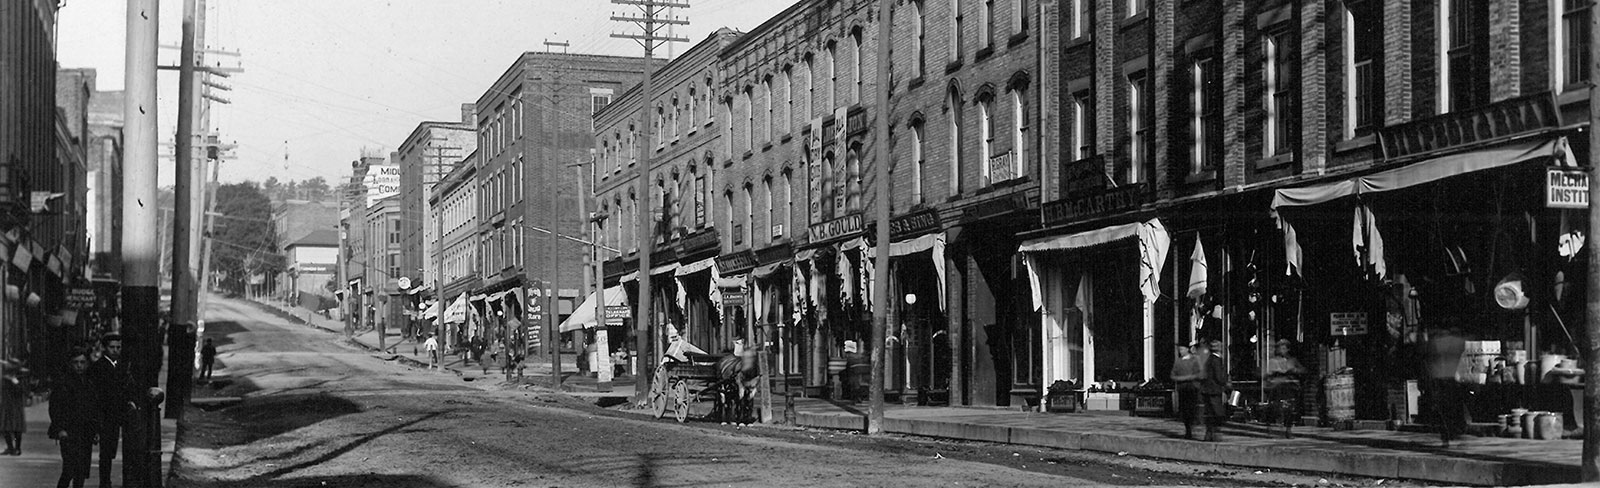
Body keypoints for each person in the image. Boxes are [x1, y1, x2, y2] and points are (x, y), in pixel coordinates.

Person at [87, 335, 134, 488]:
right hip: (105, 414)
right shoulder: (98, 367)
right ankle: (105, 482)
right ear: (104, 348)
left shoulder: (122, 365)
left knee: (112, 449)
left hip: (119, 413)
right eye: (112, 347)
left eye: (118, 347)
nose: (115, 350)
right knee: (106, 452)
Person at [50, 350, 99, 488]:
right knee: (69, 469)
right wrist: (60, 429)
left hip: (85, 432)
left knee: (81, 471)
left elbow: (93, 407)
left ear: (87, 364)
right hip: (69, 432)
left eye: (82, 362)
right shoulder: (63, 383)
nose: (79, 366)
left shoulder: (89, 382)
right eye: (76, 362)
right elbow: (55, 408)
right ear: (70, 364)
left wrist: (95, 430)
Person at [1426, 326, 1467, 447]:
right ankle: (1455, 432)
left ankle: (1446, 435)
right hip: (1453, 378)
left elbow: (1428, 359)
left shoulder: (1434, 342)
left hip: (1438, 378)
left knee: (1443, 409)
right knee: (1454, 407)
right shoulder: (1457, 341)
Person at [1264, 339, 1306, 436]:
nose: (1282, 351)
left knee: (1290, 408)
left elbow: (1303, 370)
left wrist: (1295, 370)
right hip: (1277, 387)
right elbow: (1268, 375)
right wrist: (1275, 373)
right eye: (1280, 348)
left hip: (1289, 387)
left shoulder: (1292, 360)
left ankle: (1288, 429)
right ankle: (1271, 426)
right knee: (1275, 407)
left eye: (1284, 348)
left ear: (1288, 349)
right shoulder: (1273, 361)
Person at [1196, 340, 1231, 442]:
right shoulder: (1216, 360)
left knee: (1210, 412)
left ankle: (1209, 434)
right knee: (1217, 412)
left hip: (1207, 389)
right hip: (1214, 390)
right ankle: (1216, 433)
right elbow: (1219, 376)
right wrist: (1226, 381)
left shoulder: (1209, 359)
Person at [1168, 344, 1203, 439]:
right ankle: (1188, 429)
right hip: (1182, 388)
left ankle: (1192, 425)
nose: (1181, 351)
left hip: (1192, 388)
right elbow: (1173, 375)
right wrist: (1183, 378)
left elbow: (1200, 373)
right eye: (1180, 350)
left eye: (1182, 349)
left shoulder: (1195, 359)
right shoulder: (1178, 361)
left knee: (1192, 408)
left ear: (1187, 349)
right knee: (1184, 410)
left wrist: (1192, 378)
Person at [1, 358, 28, 455]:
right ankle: (10, 447)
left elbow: (23, 391)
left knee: (17, 428)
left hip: (16, 406)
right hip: (6, 405)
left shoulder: (19, 378)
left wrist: (15, 381)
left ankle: (17, 448)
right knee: (5, 428)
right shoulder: (5, 378)